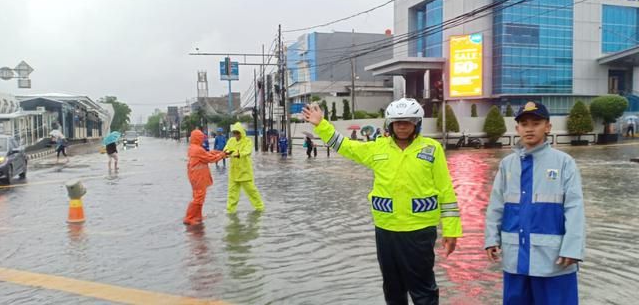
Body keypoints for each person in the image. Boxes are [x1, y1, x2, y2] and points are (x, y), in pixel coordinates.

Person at [302, 98, 462, 304]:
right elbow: (345, 146)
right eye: (397, 122)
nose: (402, 126)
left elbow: (446, 191)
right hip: (386, 230)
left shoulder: (432, 149)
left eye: (407, 122)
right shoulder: (377, 148)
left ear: (417, 123)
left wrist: (451, 231)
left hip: (420, 231)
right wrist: (321, 125)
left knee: (423, 289)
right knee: (392, 288)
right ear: (390, 124)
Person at [485, 101, 585, 305]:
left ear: (548, 127)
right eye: (524, 124)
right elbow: (496, 205)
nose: (529, 128)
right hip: (515, 260)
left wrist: (572, 249)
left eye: (536, 123)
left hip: (554, 260)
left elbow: (574, 208)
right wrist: (491, 238)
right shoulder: (507, 165)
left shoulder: (564, 163)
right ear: (517, 129)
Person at [183, 129, 227, 226]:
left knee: (199, 196)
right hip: (198, 177)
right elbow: (209, 159)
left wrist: (216, 152)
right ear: (197, 138)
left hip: (196, 176)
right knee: (198, 197)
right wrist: (222, 155)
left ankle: (198, 216)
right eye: (201, 138)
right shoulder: (197, 149)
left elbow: (205, 155)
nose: (203, 140)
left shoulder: (194, 148)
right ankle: (189, 218)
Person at [223, 122, 265, 213]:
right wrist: (225, 153)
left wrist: (238, 154)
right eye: (234, 133)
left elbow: (247, 151)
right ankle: (230, 212)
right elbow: (226, 149)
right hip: (233, 173)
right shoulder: (231, 141)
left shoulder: (247, 141)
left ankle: (260, 208)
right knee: (232, 194)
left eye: (237, 132)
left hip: (244, 172)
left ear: (241, 132)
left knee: (252, 192)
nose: (236, 135)